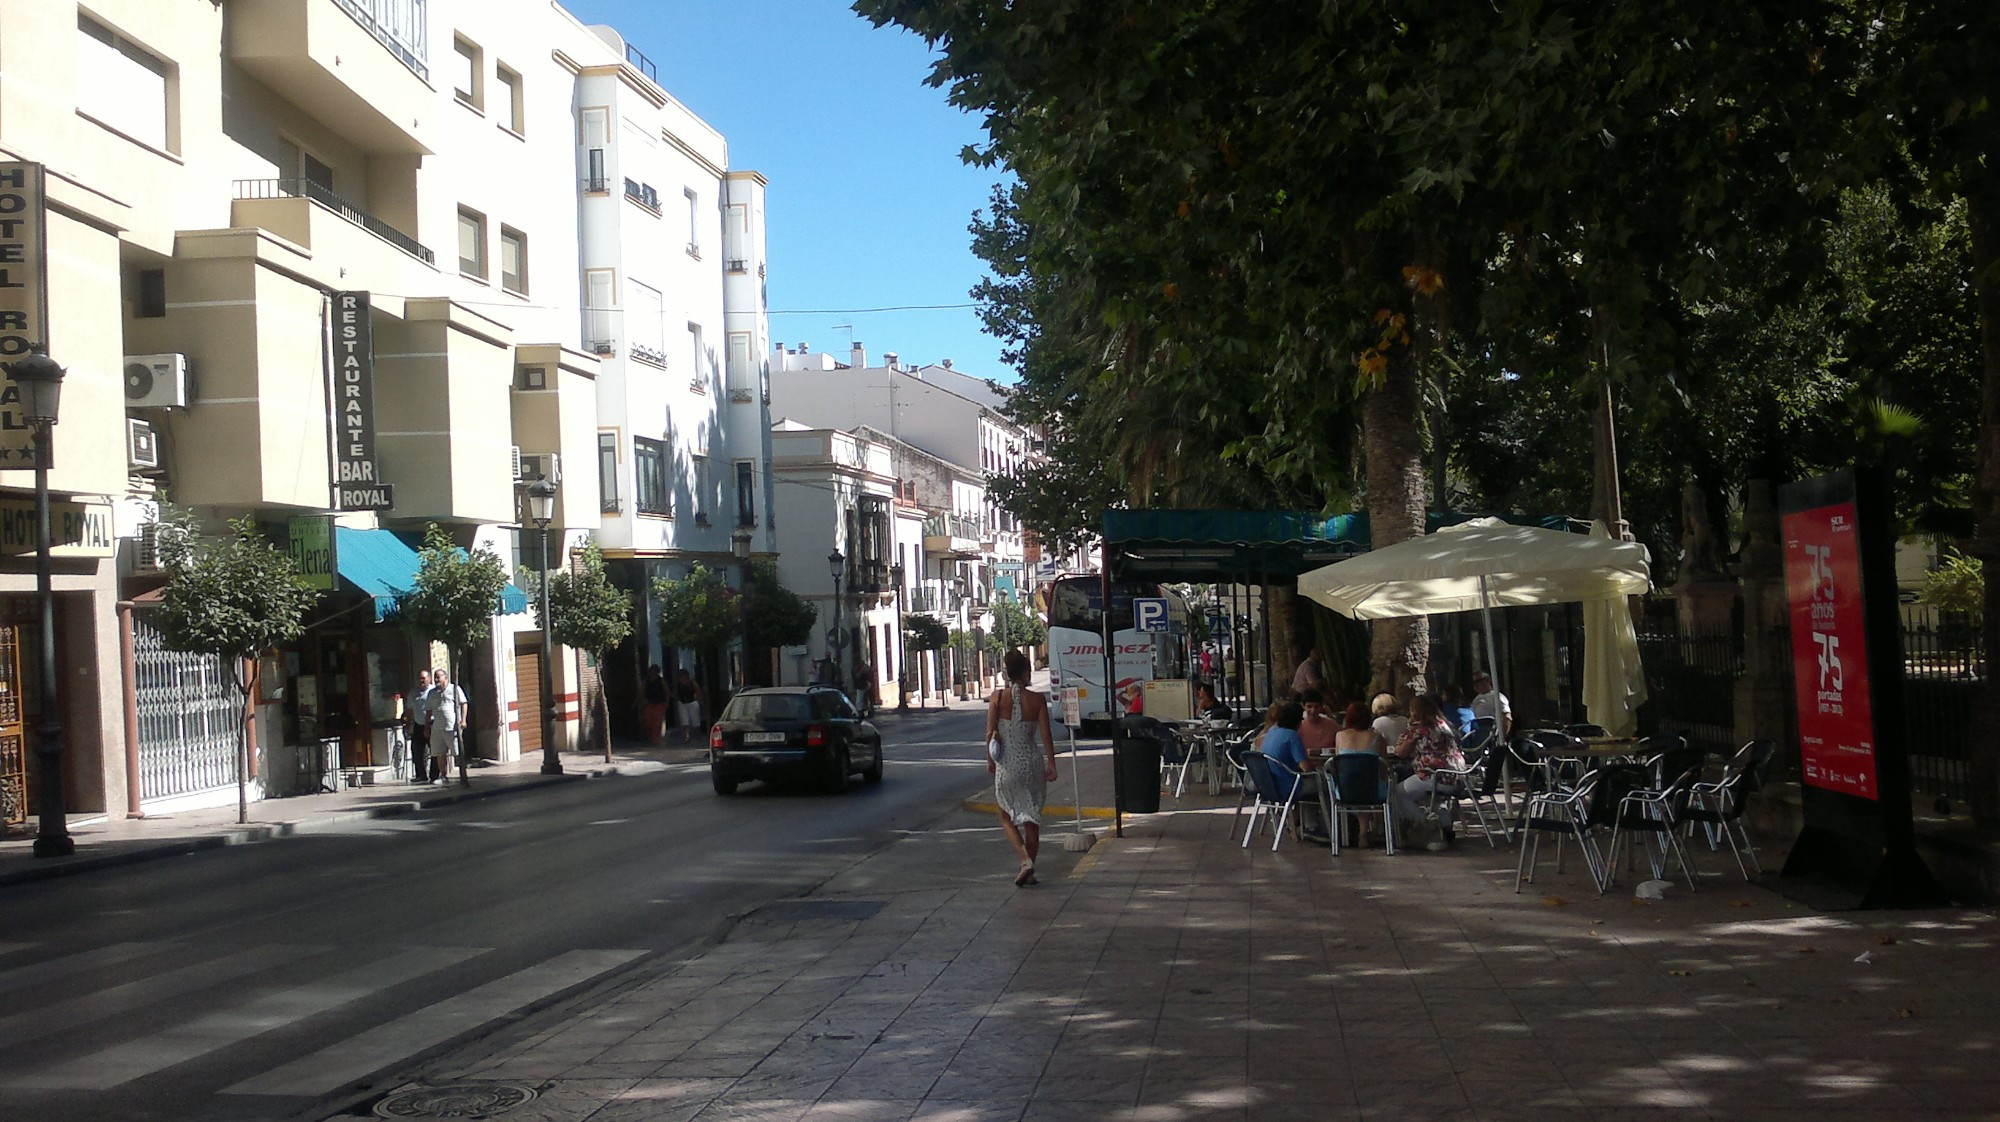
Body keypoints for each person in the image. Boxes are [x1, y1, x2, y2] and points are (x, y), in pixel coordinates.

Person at [985, 648, 1058, 887]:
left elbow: (990, 733)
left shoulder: (997, 698)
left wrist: (989, 760)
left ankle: (1024, 861)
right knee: (1032, 818)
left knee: (1006, 815)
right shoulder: (1037, 700)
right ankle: (1030, 868)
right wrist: (1051, 763)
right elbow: (1046, 736)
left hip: (1008, 764)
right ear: (1026, 673)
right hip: (1032, 762)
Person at [1392, 694, 1467, 850]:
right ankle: (1446, 827)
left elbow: (1400, 753)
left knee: (1397, 793)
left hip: (1435, 775)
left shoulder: (1419, 729)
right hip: (1457, 777)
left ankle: (1428, 826)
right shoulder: (1445, 725)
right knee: (1434, 797)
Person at [1256, 700, 1324, 839]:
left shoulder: (1271, 732)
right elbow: (1305, 767)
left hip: (1269, 784)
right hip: (1286, 786)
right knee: (1323, 783)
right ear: (1298, 721)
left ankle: (1295, 820)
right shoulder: (1292, 736)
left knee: (1307, 785)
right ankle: (1321, 825)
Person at [1332, 701, 1390, 846]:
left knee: (1354, 781)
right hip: (1372, 790)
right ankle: (1369, 831)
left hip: (1345, 790)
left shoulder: (1340, 736)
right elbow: (1383, 768)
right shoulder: (1377, 737)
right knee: (1368, 783)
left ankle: (1354, 832)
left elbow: (1340, 763)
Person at [424, 666, 468, 785]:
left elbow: (464, 704)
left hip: (452, 727)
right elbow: (428, 711)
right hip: (437, 728)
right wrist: (427, 727)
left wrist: (463, 720)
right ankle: (443, 776)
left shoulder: (454, 689)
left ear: (446, 677)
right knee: (439, 753)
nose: (436, 680)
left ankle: (463, 775)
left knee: (457, 751)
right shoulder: (432, 693)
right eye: (435, 678)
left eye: (439, 677)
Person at [1297, 688, 1340, 764]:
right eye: (1309, 707)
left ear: (1321, 707)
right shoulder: (1298, 726)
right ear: (1303, 707)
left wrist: (1318, 751)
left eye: (1316, 706)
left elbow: (1341, 748)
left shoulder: (1332, 725)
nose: (1313, 711)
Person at [404, 670, 433, 783]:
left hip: (432, 724)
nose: (421, 681)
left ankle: (434, 775)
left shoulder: (433, 691)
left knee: (434, 751)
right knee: (417, 751)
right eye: (420, 678)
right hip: (418, 724)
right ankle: (421, 775)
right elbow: (410, 709)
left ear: (429, 679)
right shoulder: (413, 693)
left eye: (424, 678)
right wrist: (408, 722)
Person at [1470, 670, 1513, 739]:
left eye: (1477, 682)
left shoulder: (1497, 696)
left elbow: (1507, 718)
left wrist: (1501, 738)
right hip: (1477, 736)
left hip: (1490, 736)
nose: (1475, 685)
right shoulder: (1477, 698)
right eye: (1473, 683)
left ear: (1487, 680)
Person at [673, 668, 703, 745]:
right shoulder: (679, 684)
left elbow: (698, 691)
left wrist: (699, 700)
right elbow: (677, 692)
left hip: (692, 703)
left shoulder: (692, 683)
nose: (681, 678)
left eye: (682, 676)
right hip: (682, 703)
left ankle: (698, 735)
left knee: (695, 721)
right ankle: (687, 737)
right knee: (684, 721)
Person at [641, 665, 669, 745]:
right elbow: (642, 691)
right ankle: (649, 735)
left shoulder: (661, 681)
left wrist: (667, 702)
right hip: (649, 703)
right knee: (647, 719)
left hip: (659, 703)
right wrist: (642, 700)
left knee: (657, 720)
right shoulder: (646, 681)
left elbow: (666, 691)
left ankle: (655, 738)